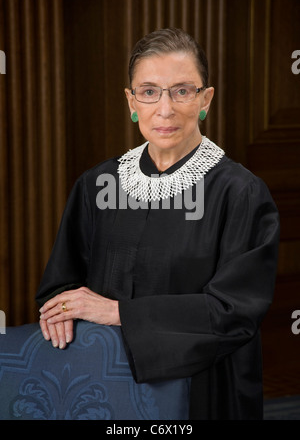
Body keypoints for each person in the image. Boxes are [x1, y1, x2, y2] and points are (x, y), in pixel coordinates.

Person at [36, 28, 280, 420]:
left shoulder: (242, 194)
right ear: (131, 102)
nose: (165, 109)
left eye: (182, 91)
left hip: (203, 395)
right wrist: (61, 310)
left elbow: (235, 313)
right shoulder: (98, 185)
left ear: (206, 100)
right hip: (105, 388)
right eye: (149, 92)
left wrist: (119, 313)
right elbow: (61, 285)